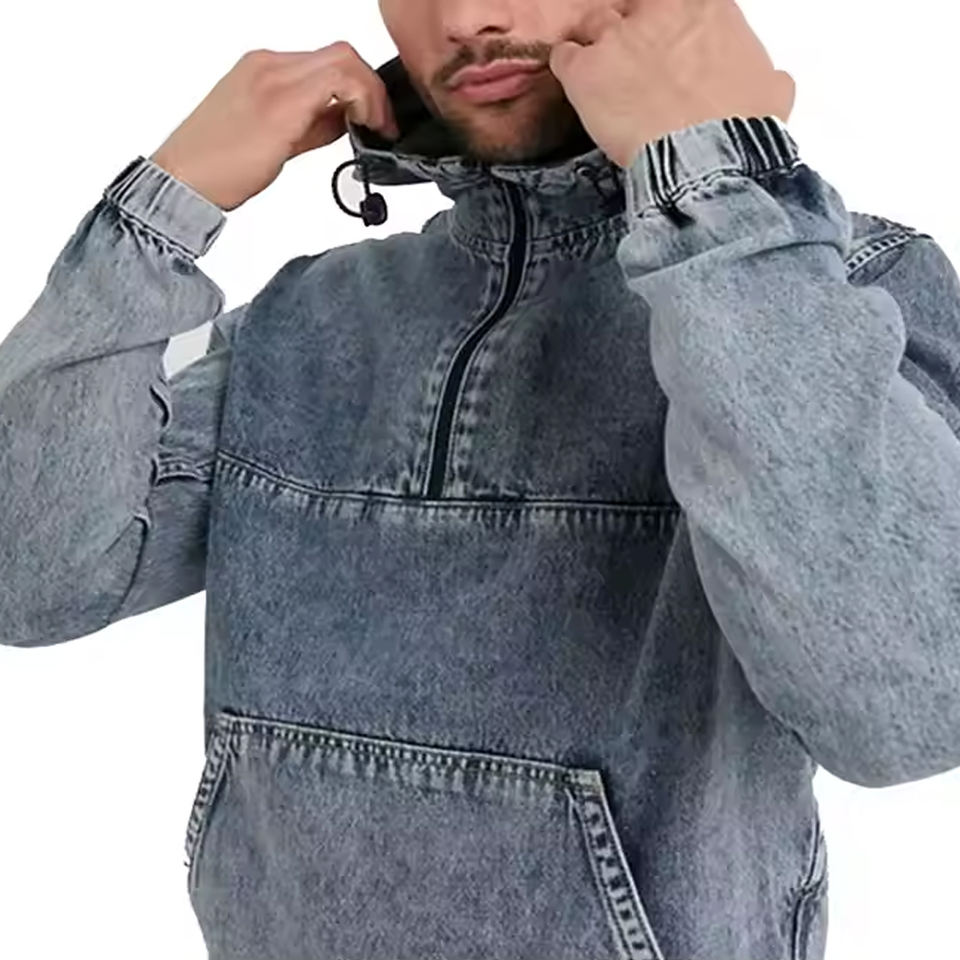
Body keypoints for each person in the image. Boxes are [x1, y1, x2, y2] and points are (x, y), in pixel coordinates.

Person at [2, 1, 959, 958]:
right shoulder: (309, 317)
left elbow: (906, 709)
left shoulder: (843, 291)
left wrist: (712, 185)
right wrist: (158, 213)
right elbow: (33, 579)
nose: (464, 16)